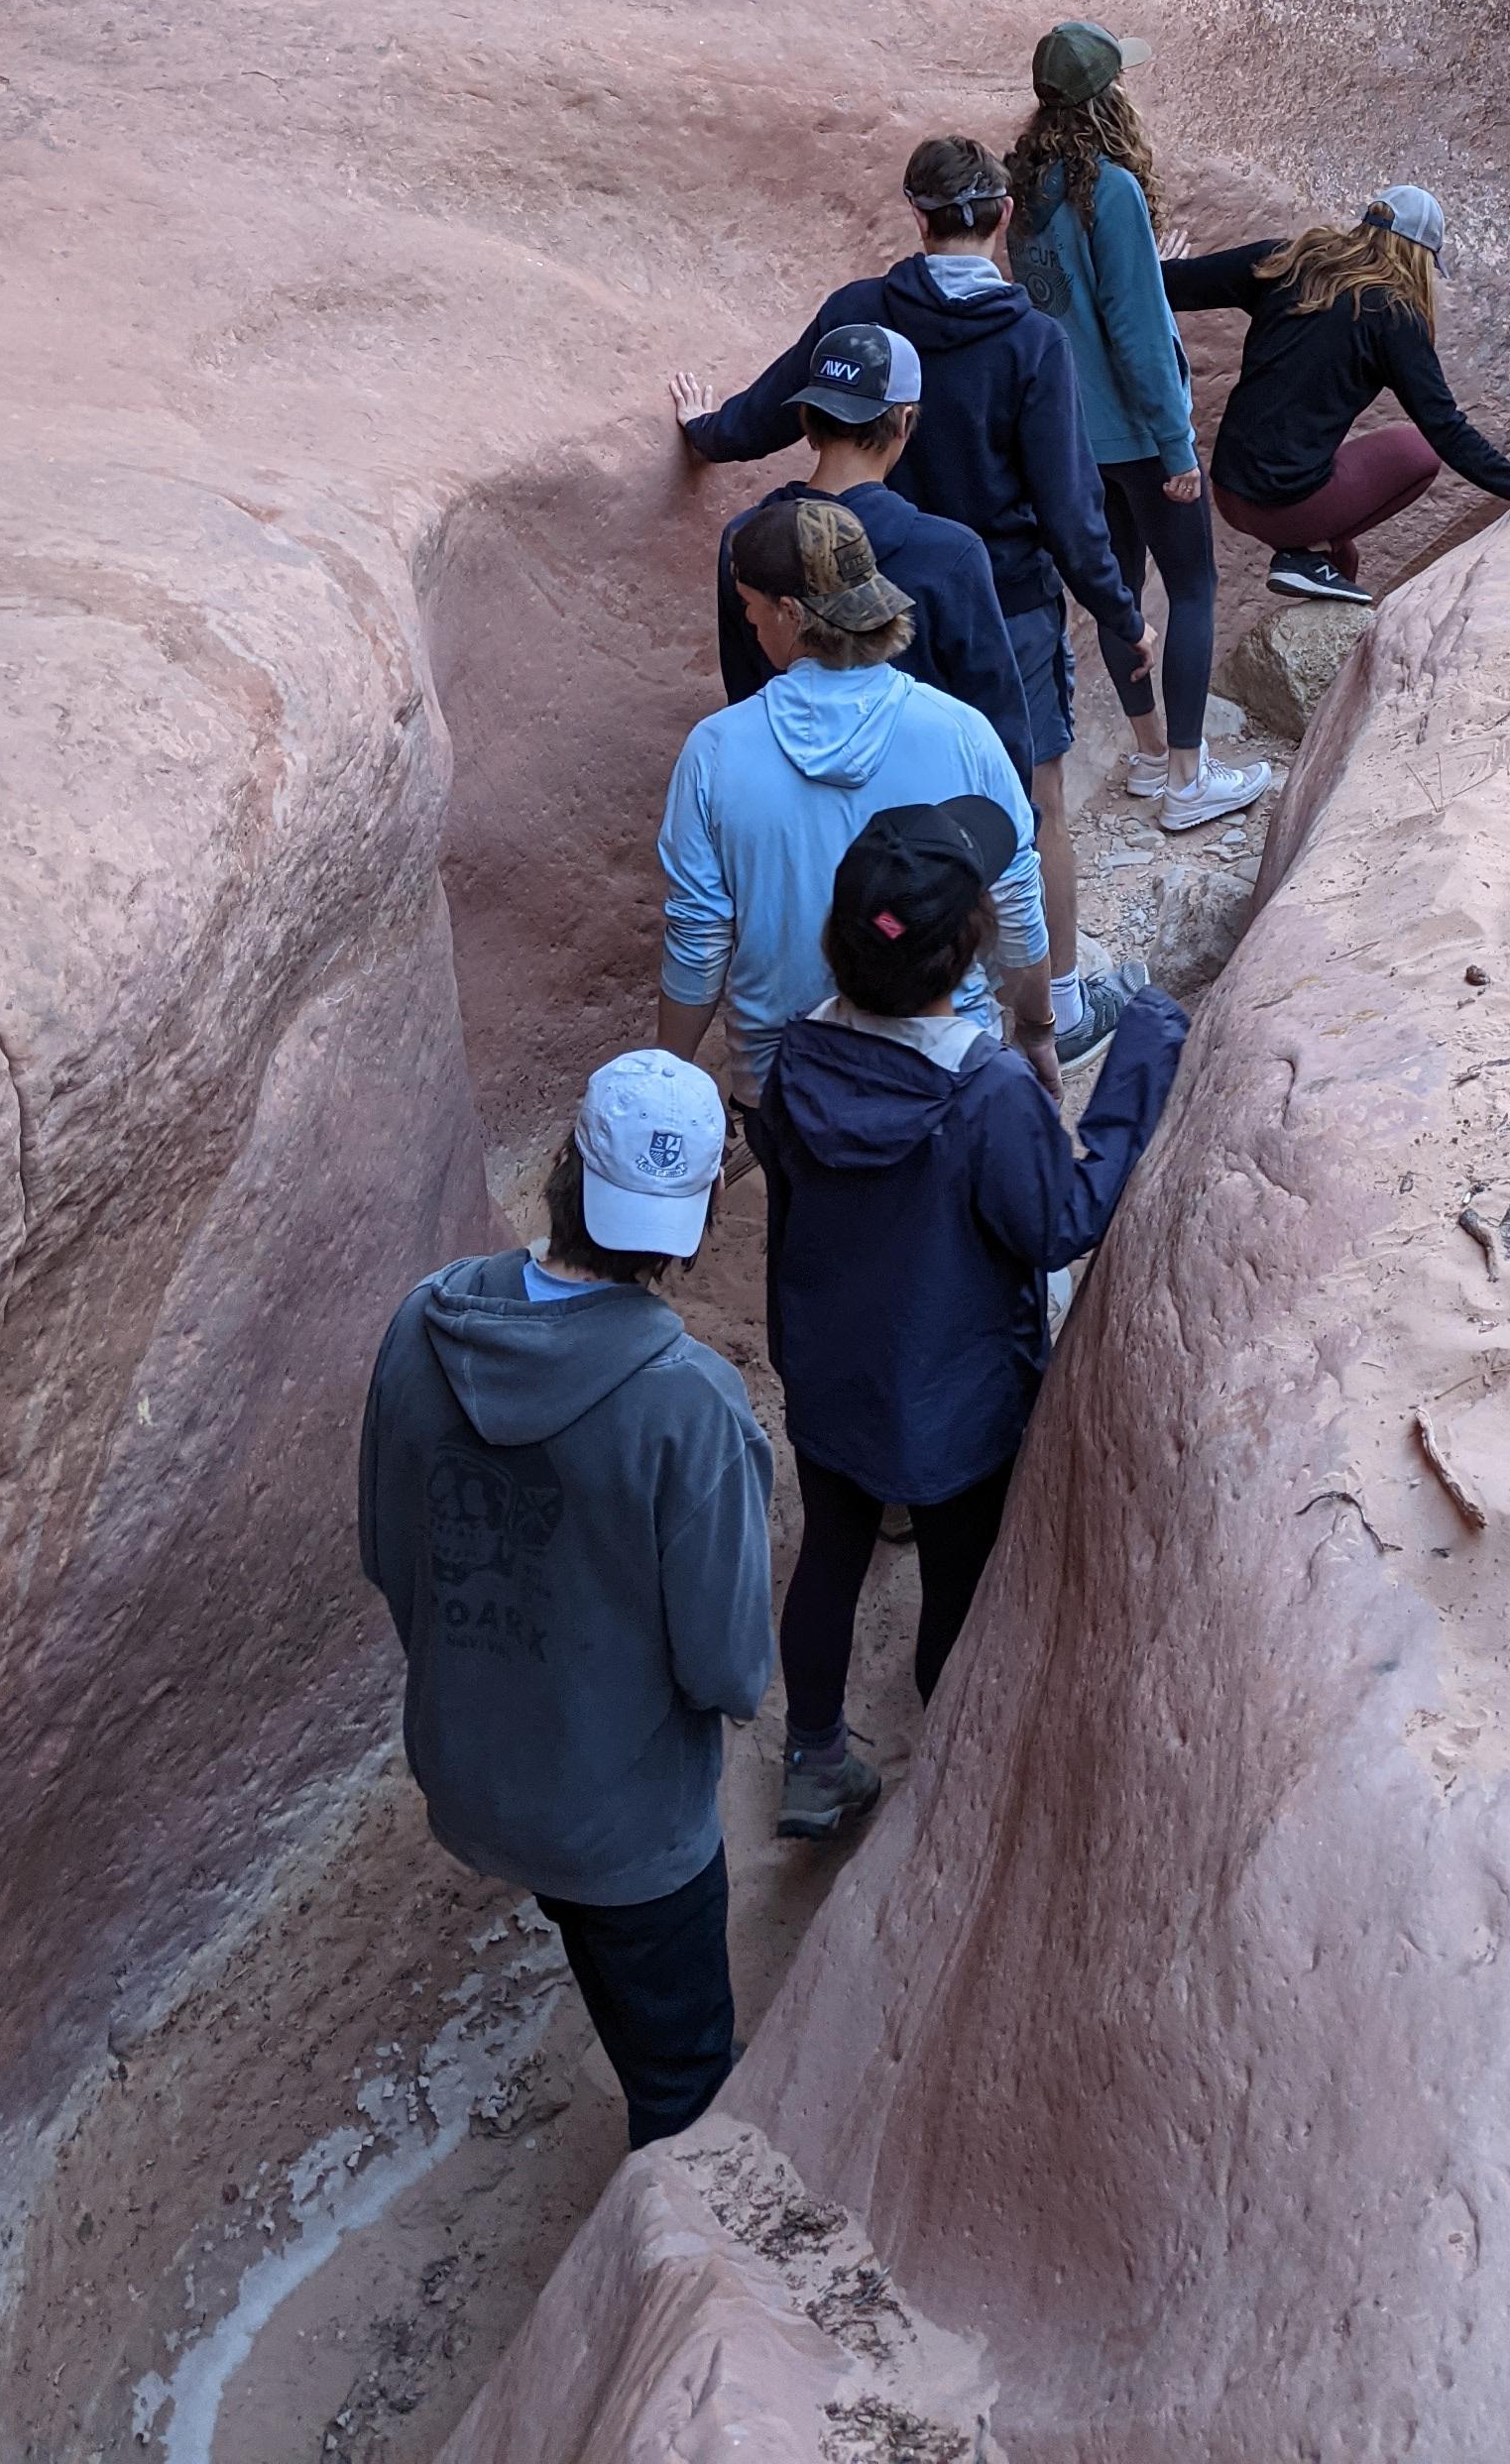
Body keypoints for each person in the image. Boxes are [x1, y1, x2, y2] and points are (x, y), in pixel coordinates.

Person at [750, 798, 1188, 1838]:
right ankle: (948, 1770)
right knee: (956, 1582)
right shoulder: (984, 1092)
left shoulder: (795, 1060)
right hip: (954, 1401)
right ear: (968, 949)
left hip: (829, 1372)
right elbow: (1058, 1224)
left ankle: (813, 1757)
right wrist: (1142, 1055)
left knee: (831, 1555)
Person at [357, 1050, 772, 2149]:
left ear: (560, 1167)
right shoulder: (690, 1407)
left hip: (474, 1771)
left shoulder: (421, 1326)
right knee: (684, 2083)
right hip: (626, 1826)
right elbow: (728, 1668)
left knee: (583, 1923)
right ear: (701, 1217)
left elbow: (389, 1552)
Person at [671, 136, 1149, 1064]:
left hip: (836, 584)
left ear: (916, 217)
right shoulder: (1030, 341)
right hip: (994, 595)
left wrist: (704, 430)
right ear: (1003, 217)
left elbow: (773, 407)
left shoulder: (860, 315)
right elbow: (1069, 506)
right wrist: (1123, 616)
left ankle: (858, 987)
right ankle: (1047, 1002)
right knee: (1023, 799)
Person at [656, 491, 1055, 1101]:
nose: (751, 623)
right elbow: (1017, 901)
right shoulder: (962, 732)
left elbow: (700, 938)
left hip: (788, 1085)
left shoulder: (714, 753)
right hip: (948, 1069)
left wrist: (669, 1081)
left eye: (750, 607)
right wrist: (1037, 1027)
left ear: (789, 612)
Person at [1007, 20, 1269, 837]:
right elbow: (1136, 330)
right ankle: (1189, 780)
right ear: (1106, 99)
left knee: (1122, 592)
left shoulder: (1028, 195)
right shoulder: (1109, 190)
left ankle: (1153, 751)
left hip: (1077, 438)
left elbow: (1069, 316)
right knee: (1192, 589)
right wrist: (1176, 444)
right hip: (1139, 437)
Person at [1162, 184, 1510, 605]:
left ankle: (1308, 568)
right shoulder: (1393, 315)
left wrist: (1161, 265)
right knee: (1417, 451)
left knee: (1344, 564)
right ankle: (1302, 556)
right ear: (1418, 257)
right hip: (1284, 506)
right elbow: (1445, 427)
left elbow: (1166, 286)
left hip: (1229, 491)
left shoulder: (1287, 260)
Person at [705, 322, 1033, 792]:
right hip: (924, 824)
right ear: (904, 422)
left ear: (807, 424)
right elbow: (998, 719)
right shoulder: (950, 553)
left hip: (793, 810)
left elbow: (745, 692)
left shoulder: (744, 538)